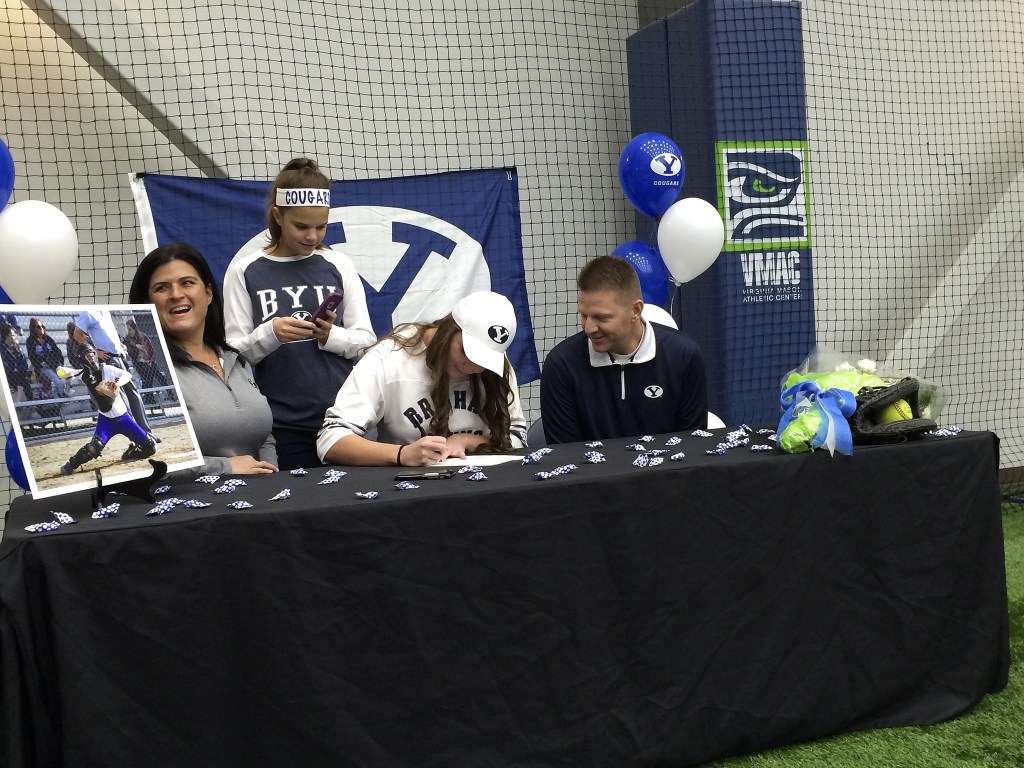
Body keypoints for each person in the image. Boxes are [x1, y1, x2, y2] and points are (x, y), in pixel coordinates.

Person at [223, 157, 375, 469]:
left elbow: (365, 342)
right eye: (302, 227)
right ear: (277, 216)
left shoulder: (339, 264)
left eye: (321, 227)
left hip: (344, 420)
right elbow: (231, 357)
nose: (312, 237)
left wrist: (330, 335)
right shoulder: (245, 270)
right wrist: (271, 334)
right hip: (283, 426)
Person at [318, 291, 527, 466]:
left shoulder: (494, 366)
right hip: (408, 492)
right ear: (448, 329)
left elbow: (518, 438)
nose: (472, 367)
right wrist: (402, 454)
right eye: (466, 352)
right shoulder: (389, 357)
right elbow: (330, 440)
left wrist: (467, 440)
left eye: (483, 360)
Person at [129, 242, 278, 476]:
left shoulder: (236, 361)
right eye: (162, 288)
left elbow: (262, 436)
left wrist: (269, 472)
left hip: (256, 503)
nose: (176, 295)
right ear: (147, 303)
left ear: (208, 293)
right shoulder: (146, 373)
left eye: (187, 283)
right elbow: (144, 463)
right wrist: (225, 467)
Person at [540, 255, 708, 444]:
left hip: (664, 473)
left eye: (601, 318)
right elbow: (566, 459)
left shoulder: (684, 357)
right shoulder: (561, 365)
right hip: (592, 474)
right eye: (584, 315)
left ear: (635, 310)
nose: (588, 328)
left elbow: (692, 449)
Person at [58, 343, 157, 475]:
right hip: (106, 420)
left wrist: (117, 383)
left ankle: (131, 452)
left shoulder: (108, 369)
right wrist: (61, 370)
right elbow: (70, 373)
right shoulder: (84, 375)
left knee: (150, 447)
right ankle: (71, 464)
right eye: (87, 356)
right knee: (94, 447)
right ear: (82, 359)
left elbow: (127, 375)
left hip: (124, 418)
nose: (91, 358)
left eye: (92, 354)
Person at [74, 308, 156, 437]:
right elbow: (77, 334)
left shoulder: (104, 311)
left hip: (118, 357)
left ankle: (146, 433)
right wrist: (95, 351)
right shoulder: (88, 312)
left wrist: (119, 349)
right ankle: (138, 437)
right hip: (107, 360)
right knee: (123, 399)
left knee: (134, 396)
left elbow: (109, 334)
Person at [123, 318, 168, 403]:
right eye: (127, 330)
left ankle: (170, 394)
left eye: (130, 329)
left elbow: (152, 349)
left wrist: (151, 360)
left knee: (158, 375)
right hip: (139, 362)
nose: (129, 332)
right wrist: (136, 347)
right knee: (149, 376)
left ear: (134, 329)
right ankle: (149, 399)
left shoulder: (142, 336)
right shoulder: (127, 340)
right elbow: (130, 354)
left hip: (149, 360)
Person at [26, 317, 68, 398]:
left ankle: (61, 394)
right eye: (38, 327)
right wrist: (41, 363)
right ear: (33, 328)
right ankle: (63, 395)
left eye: (42, 326)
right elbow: (32, 356)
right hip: (43, 368)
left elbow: (57, 352)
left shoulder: (48, 339)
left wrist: (59, 363)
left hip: (54, 365)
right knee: (54, 378)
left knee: (63, 379)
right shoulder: (30, 341)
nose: (41, 328)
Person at [0, 323, 32, 401]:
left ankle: (29, 402)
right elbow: (7, 366)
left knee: (25, 377)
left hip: (19, 374)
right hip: (9, 375)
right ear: (7, 336)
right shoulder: (2, 349)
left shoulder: (17, 348)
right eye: (13, 335)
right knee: (22, 380)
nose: (15, 337)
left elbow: (23, 362)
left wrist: (18, 351)